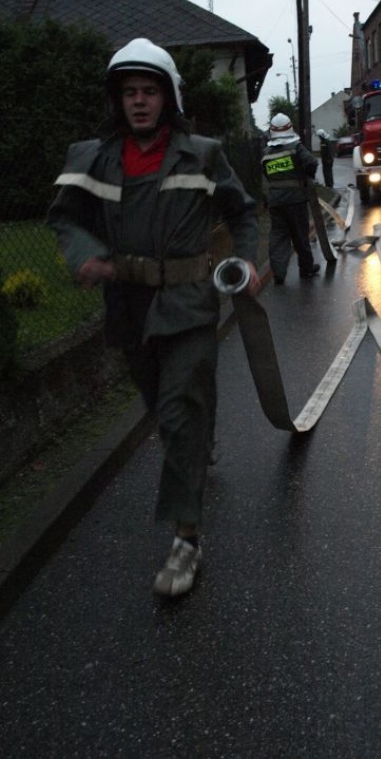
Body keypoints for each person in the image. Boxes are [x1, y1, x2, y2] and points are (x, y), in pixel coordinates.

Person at [47, 38, 260, 597]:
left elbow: (243, 211)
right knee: (170, 416)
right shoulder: (92, 158)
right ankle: (197, 442)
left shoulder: (204, 154)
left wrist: (246, 258)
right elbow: (64, 218)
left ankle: (186, 540)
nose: (139, 102)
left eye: (149, 91)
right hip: (128, 309)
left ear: (169, 98)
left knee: (178, 409)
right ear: (116, 101)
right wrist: (83, 253)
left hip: (189, 304)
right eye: (129, 93)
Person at [262, 113, 320, 284]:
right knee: (300, 235)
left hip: (275, 201)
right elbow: (311, 163)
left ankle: (278, 273)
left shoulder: (266, 153)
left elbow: (264, 174)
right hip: (295, 200)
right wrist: (306, 177)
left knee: (278, 236)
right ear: (290, 128)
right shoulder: (296, 147)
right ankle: (306, 269)